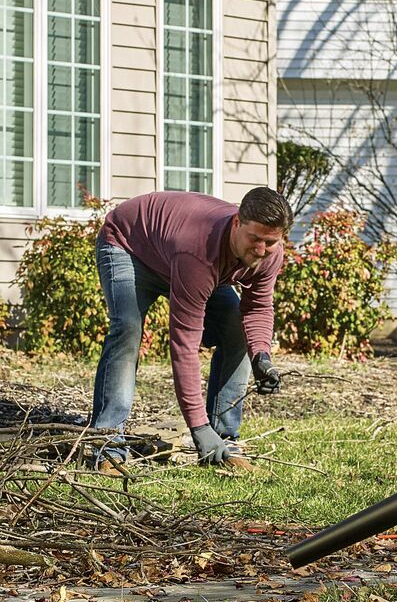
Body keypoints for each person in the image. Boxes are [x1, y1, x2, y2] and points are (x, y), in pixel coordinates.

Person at [90, 186, 290, 471]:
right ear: (237, 223)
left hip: (173, 250)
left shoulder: (269, 253)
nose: (261, 250)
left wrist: (261, 355)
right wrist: (197, 427)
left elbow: (257, 308)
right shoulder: (198, 251)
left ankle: (223, 443)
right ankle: (107, 445)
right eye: (254, 238)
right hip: (129, 245)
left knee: (236, 327)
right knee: (128, 329)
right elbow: (184, 346)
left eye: (269, 242)